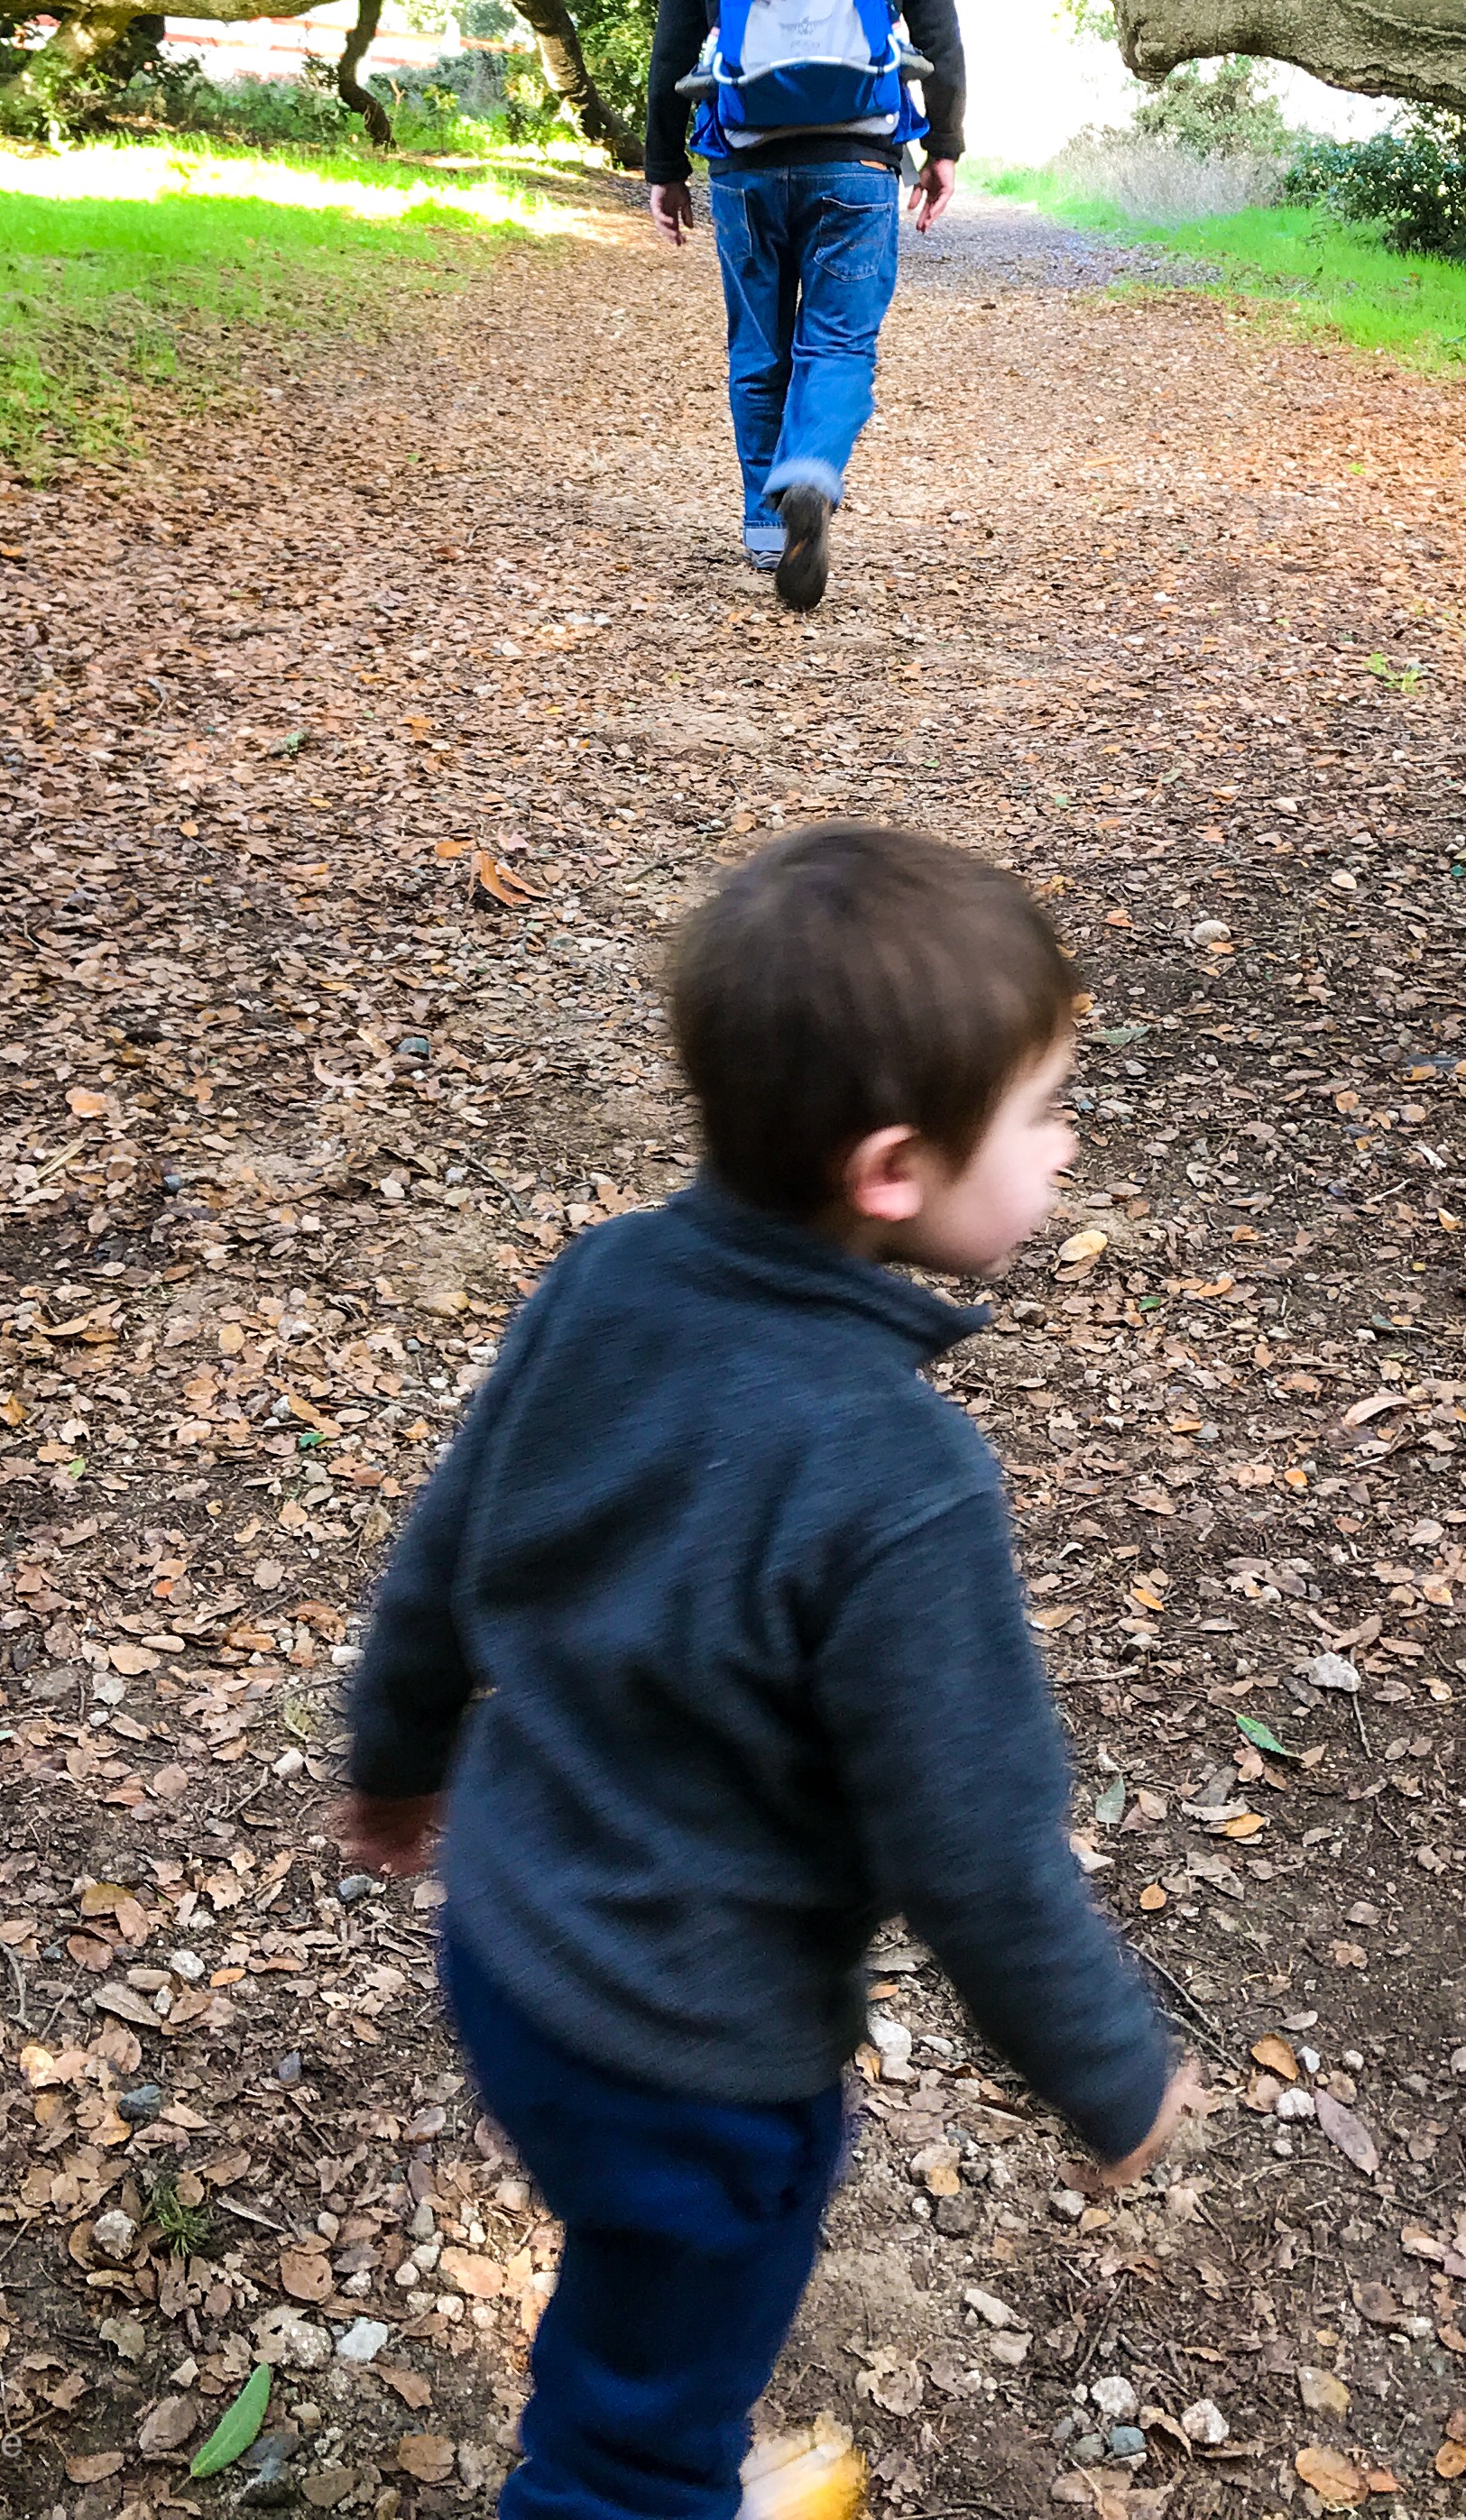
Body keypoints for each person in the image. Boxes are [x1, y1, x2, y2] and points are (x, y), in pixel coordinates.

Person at [336, 824, 1200, 2520]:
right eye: (1038, 1112)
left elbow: (449, 1544)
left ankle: (659, 2431)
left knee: (637, 2294)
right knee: (633, 2421)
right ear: (892, 1170)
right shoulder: (899, 1481)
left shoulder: (602, 1279)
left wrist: (392, 1750)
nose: (1064, 1143)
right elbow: (971, 1845)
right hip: (693, 2059)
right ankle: (647, 2482)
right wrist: (1107, 2068)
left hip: (511, 1948)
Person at [643, 0, 965, 615]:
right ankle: (812, 473)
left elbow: (673, 48)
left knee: (758, 350)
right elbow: (938, 29)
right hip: (858, 160)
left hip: (745, 165)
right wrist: (944, 146)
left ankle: (763, 524)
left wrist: (665, 168)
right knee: (839, 344)